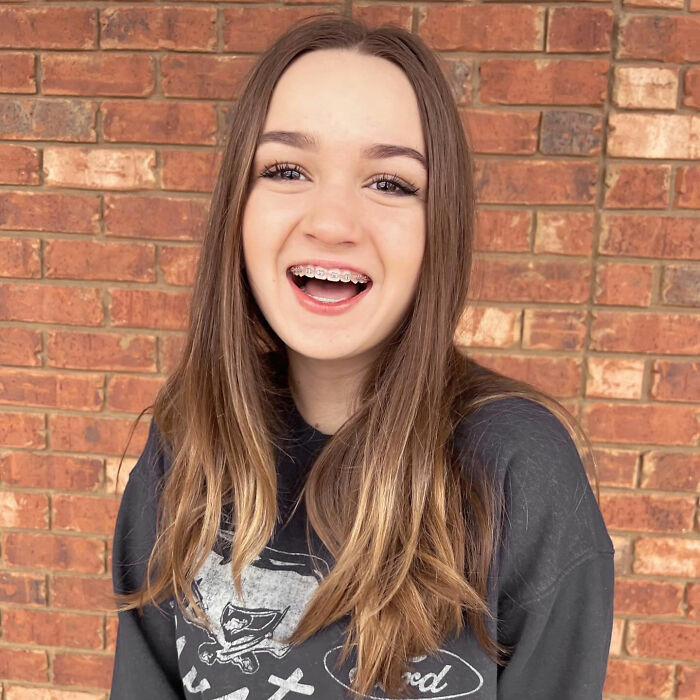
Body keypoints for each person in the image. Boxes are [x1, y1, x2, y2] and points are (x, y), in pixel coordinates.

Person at [110, 13, 614, 700]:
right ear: (238, 207)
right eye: (287, 169)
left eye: (390, 183)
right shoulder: (188, 439)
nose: (332, 222)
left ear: (440, 228)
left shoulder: (517, 470)